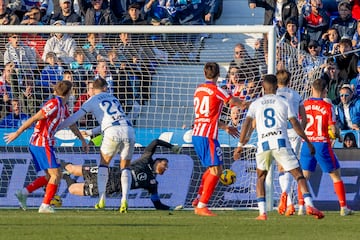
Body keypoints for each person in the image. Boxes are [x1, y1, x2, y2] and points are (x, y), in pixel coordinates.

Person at [233, 74, 324, 220]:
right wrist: (307, 141)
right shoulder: (283, 102)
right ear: (276, 87)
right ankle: (309, 204)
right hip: (281, 142)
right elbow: (295, 123)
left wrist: (240, 146)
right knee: (298, 175)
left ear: (263, 87)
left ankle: (262, 213)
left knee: (261, 178)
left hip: (263, 145)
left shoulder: (256, 103)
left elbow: (246, 124)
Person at [4, 81, 88, 213]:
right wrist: (17, 133)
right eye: (71, 91)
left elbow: (71, 124)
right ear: (68, 93)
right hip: (41, 142)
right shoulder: (53, 104)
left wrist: (82, 140)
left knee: (51, 176)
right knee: (56, 174)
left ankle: (24, 193)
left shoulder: (63, 106)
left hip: (44, 143)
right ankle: (45, 205)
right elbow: (34, 118)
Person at [57, 78, 135, 213]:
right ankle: (124, 200)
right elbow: (109, 121)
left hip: (112, 132)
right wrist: (89, 132)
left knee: (104, 164)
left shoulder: (92, 100)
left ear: (93, 88)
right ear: (105, 87)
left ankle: (102, 198)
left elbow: (75, 117)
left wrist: (57, 128)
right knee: (125, 167)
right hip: (128, 130)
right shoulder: (113, 98)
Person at [191, 62, 247, 216]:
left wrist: (225, 127)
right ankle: (202, 206)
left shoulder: (198, 90)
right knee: (216, 171)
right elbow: (232, 100)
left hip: (198, 133)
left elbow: (208, 115)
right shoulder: (216, 90)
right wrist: (245, 103)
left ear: (204, 73)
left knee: (214, 169)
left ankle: (198, 199)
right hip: (207, 135)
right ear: (218, 74)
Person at [62, 139, 182, 210]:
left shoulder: (152, 183)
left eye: (166, 167)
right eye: (164, 164)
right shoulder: (146, 159)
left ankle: (64, 176)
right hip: (109, 173)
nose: (165, 168)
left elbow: (157, 204)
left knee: (72, 189)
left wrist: (170, 208)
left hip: (111, 188)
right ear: (157, 161)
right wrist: (171, 147)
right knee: (72, 169)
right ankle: (56, 163)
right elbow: (155, 142)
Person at [299, 78, 354, 216]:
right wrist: (339, 136)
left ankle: (301, 207)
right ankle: (343, 208)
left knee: (304, 176)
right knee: (336, 175)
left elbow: (302, 122)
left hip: (307, 142)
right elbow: (333, 130)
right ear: (325, 91)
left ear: (312, 89)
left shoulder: (304, 104)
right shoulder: (327, 106)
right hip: (321, 143)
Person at [275, 69, 307, 216]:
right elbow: (304, 118)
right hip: (294, 132)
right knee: (293, 167)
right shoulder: (296, 95)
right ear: (290, 81)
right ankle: (289, 201)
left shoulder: (273, 95)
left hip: (279, 132)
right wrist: (301, 132)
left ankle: (286, 199)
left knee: (281, 167)